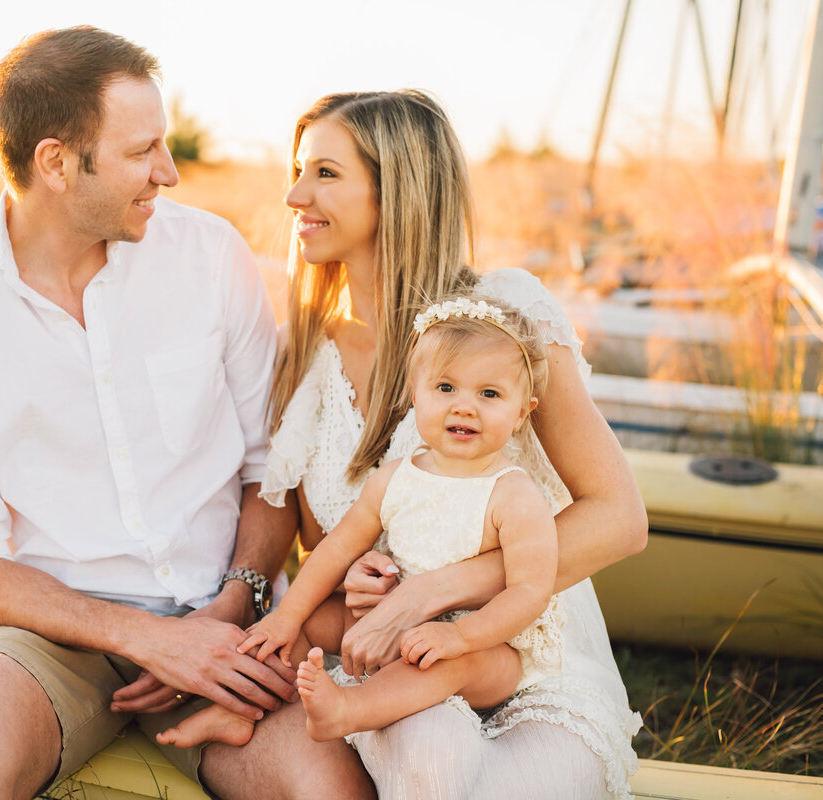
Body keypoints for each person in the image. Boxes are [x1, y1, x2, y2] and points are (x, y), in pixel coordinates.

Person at [0, 27, 374, 800]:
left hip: (228, 620)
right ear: (55, 163)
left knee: (327, 791)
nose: (169, 172)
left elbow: (269, 470)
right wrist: (148, 639)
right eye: (143, 151)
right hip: (47, 637)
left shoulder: (211, 257)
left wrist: (229, 607)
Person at [249, 90, 646, 798]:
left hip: (533, 666)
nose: (294, 194)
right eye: (300, 169)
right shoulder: (307, 352)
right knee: (434, 769)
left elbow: (618, 517)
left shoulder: (504, 313)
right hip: (393, 673)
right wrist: (360, 579)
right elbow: (327, 543)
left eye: (325, 174)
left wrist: (437, 590)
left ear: (396, 189)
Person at [163, 293, 567, 747]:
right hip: (391, 617)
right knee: (307, 622)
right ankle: (239, 709)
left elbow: (531, 592)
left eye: (489, 394)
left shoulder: (513, 494)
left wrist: (459, 635)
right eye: (446, 388)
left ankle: (347, 710)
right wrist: (288, 617)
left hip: (486, 646)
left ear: (522, 413)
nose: (464, 406)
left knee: (452, 666)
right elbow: (337, 548)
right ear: (416, 395)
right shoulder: (396, 478)